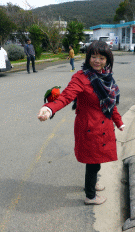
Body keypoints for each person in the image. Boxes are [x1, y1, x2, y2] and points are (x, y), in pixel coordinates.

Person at [38, 40, 125, 205]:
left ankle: (91, 185)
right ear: (88, 57)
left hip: (105, 127)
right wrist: (50, 109)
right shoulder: (81, 77)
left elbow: (111, 105)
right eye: (93, 56)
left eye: (101, 57)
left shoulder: (107, 77)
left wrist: (118, 122)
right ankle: (90, 196)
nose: (97, 61)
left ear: (108, 60)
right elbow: (66, 96)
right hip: (89, 128)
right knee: (92, 163)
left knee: (97, 160)